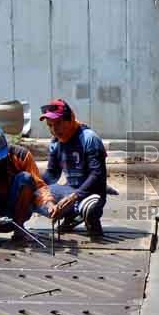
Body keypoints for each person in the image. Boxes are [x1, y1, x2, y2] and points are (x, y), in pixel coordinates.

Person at [38, 99, 107, 236]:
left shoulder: (88, 138)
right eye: (50, 125)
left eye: (58, 124)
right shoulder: (55, 142)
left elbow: (97, 175)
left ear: (70, 119)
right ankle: (71, 215)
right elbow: (52, 174)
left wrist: (74, 197)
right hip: (69, 191)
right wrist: (35, 187)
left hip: (91, 193)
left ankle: (89, 217)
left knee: (90, 207)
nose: (54, 130)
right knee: (34, 192)